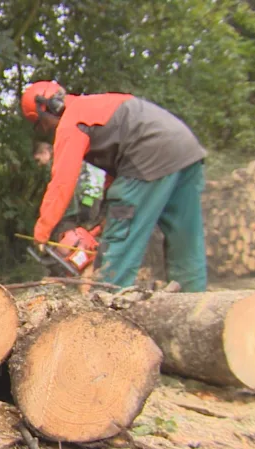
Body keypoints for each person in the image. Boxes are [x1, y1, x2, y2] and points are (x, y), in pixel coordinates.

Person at [20, 80, 208, 292]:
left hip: (148, 154)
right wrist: (102, 222)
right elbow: (115, 174)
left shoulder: (72, 121)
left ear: (47, 109)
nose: (46, 130)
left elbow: (62, 182)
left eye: (42, 124)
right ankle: (195, 306)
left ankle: (107, 310)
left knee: (119, 242)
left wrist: (42, 232)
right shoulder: (95, 107)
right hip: (186, 148)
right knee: (187, 243)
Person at [33, 141, 105, 237]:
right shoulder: (70, 153)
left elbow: (61, 188)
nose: (39, 164)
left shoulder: (57, 161)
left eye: (38, 160)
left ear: (45, 153)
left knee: (66, 229)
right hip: (94, 198)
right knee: (85, 231)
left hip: (81, 198)